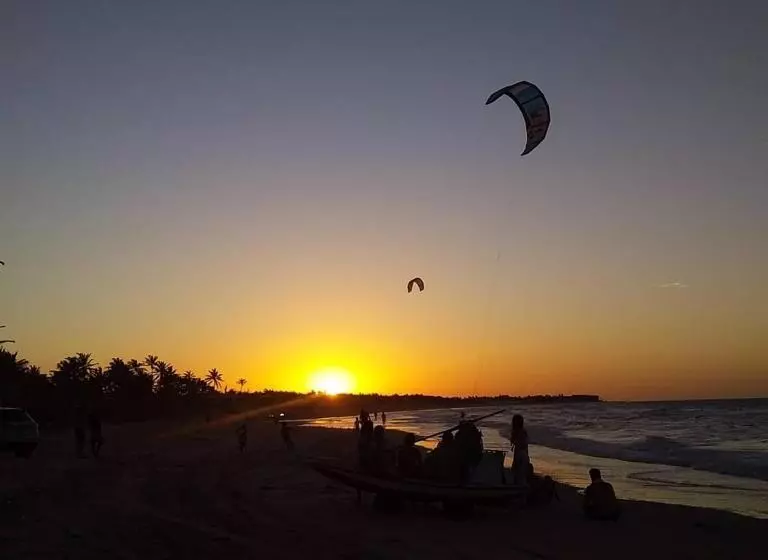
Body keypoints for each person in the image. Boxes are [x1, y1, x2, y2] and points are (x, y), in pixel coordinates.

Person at [510, 414, 530, 485]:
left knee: (519, 474)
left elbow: (519, 444)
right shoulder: (522, 432)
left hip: (520, 454)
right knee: (520, 474)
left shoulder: (518, 432)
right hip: (522, 454)